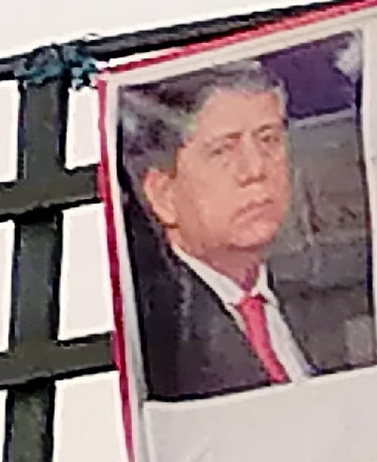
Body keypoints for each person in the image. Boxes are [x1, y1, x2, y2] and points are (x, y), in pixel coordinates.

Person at [121, 60, 363, 401]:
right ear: (163, 194)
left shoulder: (318, 301)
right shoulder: (160, 331)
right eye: (222, 150)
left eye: (269, 140)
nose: (254, 169)